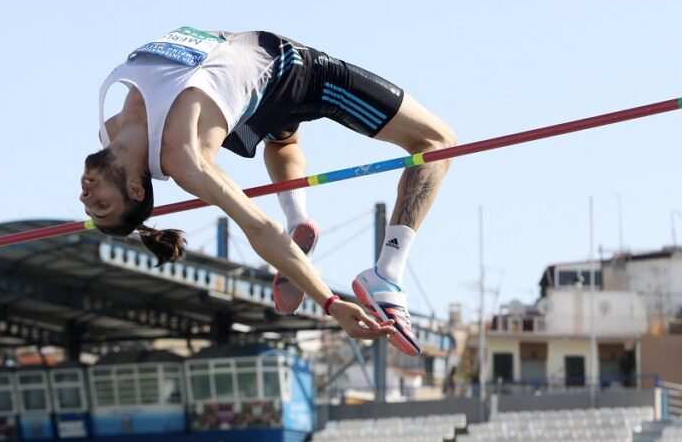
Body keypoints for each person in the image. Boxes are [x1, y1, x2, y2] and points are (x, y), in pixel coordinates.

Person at [79, 27, 455, 354]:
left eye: (88, 204)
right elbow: (258, 229)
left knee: (284, 144)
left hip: (251, 95)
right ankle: (387, 272)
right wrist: (330, 302)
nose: (86, 199)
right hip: (292, 71)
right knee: (437, 142)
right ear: (135, 188)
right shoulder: (185, 160)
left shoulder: (110, 133)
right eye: (101, 207)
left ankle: (299, 218)